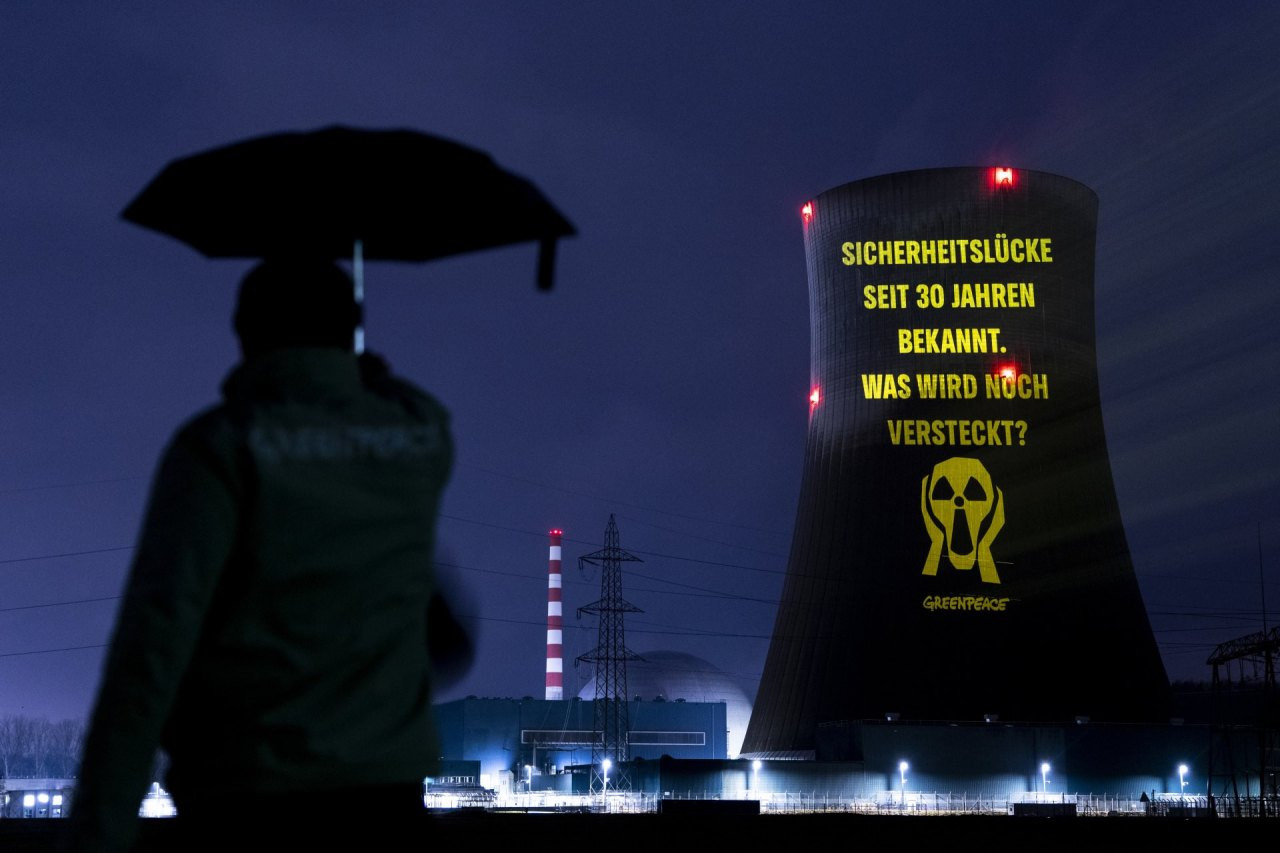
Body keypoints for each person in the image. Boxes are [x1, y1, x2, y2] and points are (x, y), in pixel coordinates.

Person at [67, 258, 466, 851]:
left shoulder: (221, 446)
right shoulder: (420, 438)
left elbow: (152, 646)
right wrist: (366, 380)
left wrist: (99, 828)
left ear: (244, 331)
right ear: (353, 328)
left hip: (247, 793)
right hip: (388, 793)